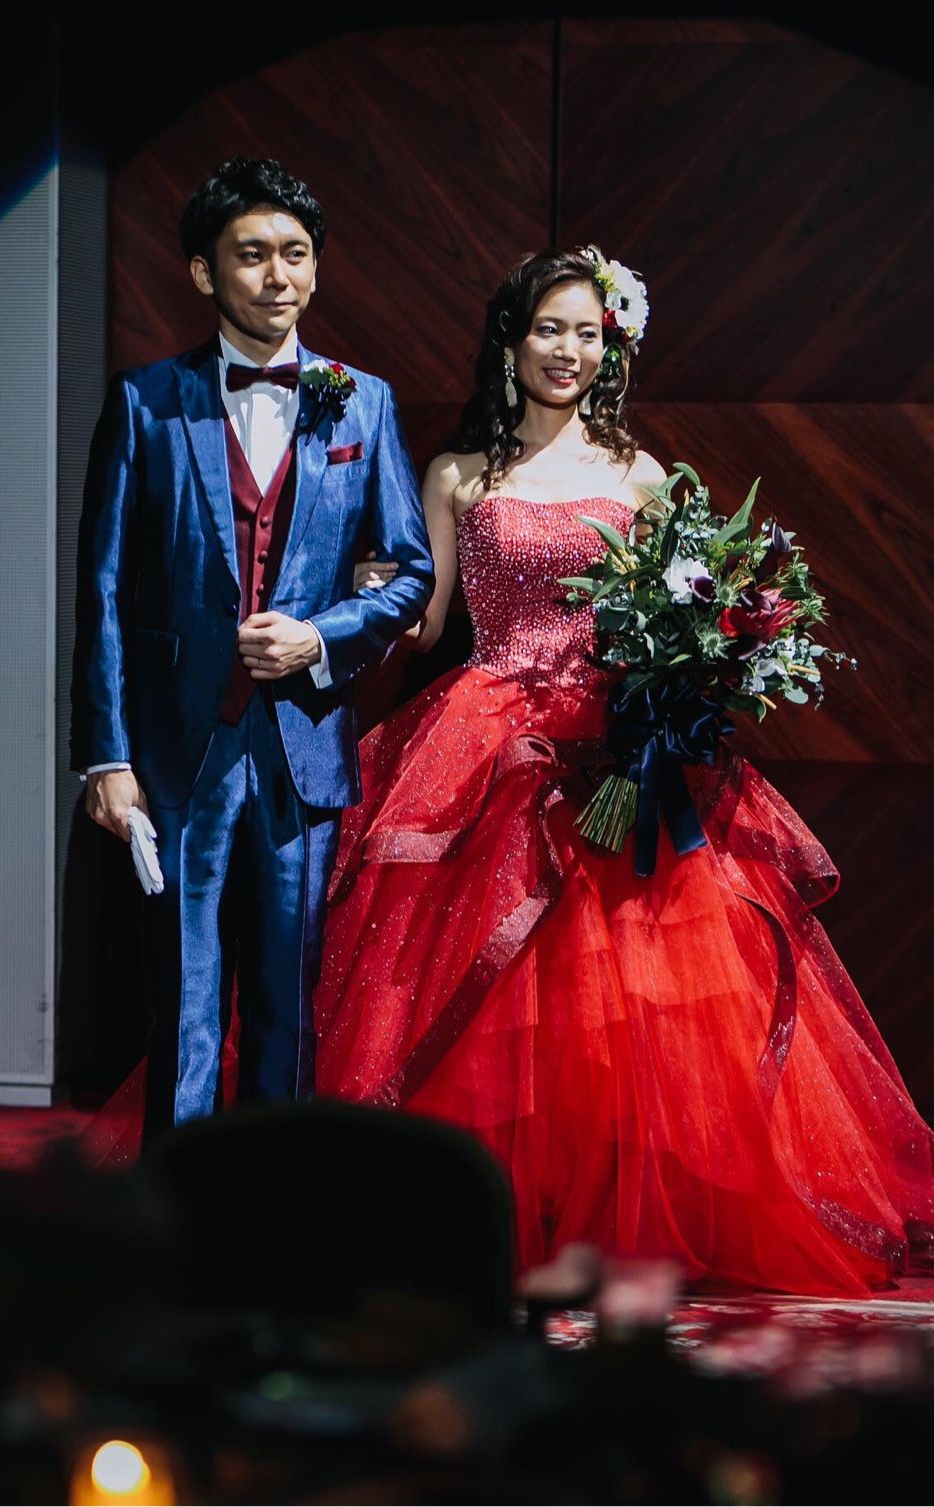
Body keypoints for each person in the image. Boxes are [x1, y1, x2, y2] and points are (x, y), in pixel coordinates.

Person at [314, 245, 934, 1296]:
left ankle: (614, 1222)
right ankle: (490, 1219)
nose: (567, 350)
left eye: (586, 333)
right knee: (492, 989)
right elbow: (423, 623)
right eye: (547, 329)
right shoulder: (458, 473)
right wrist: (361, 586)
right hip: (485, 736)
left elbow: (681, 609)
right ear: (510, 342)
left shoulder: (641, 474)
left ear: (610, 348)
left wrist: (709, 658)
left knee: (630, 1003)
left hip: (619, 745)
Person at [71, 157, 434, 1140]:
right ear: (203, 272)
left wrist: (320, 635)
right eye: (251, 255)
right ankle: (174, 1214)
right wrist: (105, 756)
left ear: (315, 269)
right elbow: (103, 588)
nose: (278, 275)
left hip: (299, 747)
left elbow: (411, 572)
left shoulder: (361, 402)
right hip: (174, 752)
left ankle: (275, 1211)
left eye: (296, 254)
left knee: (286, 1006)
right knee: (182, 1004)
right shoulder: (146, 402)